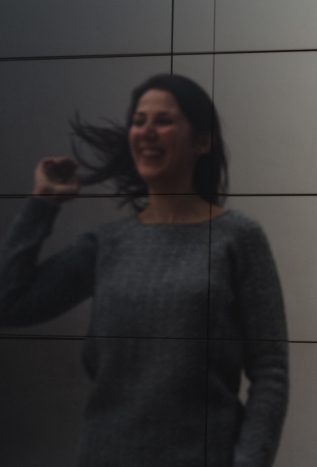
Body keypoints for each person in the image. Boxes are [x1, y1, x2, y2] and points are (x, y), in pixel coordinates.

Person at [0, 74, 288, 467]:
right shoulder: (107, 243)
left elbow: (270, 370)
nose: (147, 131)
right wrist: (40, 206)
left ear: (202, 141)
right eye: (139, 121)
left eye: (163, 120)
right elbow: (8, 303)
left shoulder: (237, 237)